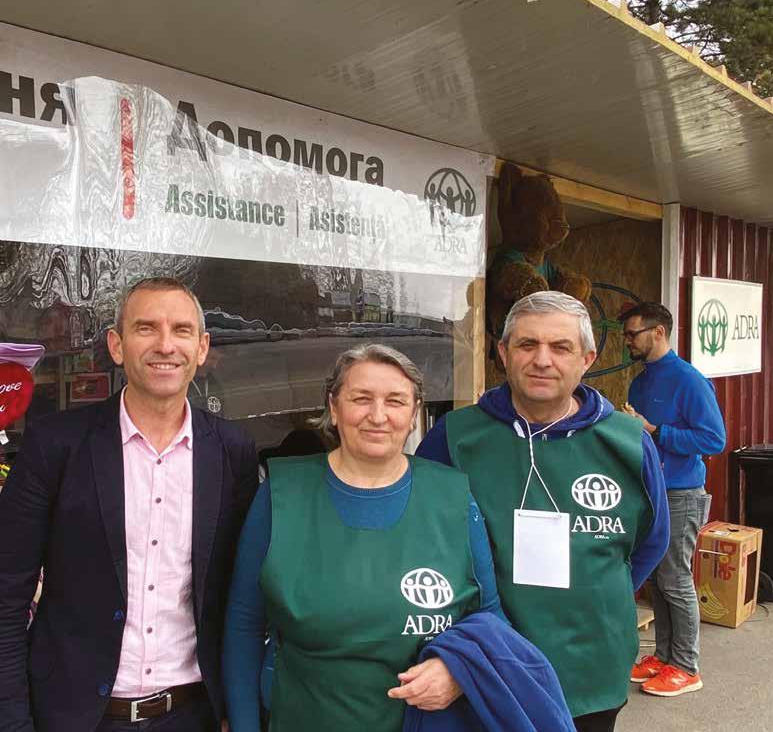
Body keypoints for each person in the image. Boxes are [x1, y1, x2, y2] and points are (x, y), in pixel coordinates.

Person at [0, 277, 259, 732]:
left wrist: (237, 712)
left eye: (181, 330)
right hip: (73, 718)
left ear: (201, 348)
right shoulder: (55, 444)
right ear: (117, 346)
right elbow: (6, 594)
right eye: (146, 328)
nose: (165, 345)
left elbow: (242, 598)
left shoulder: (232, 451)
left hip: (192, 715)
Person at [418, 291, 669, 732]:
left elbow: (652, 540)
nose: (542, 360)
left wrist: (593, 595)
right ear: (503, 353)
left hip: (591, 667)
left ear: (587, 359)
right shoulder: (455, 437)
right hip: (489, 661)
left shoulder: (628, 443)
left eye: (561, 347)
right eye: (527, 344)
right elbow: (422, 539)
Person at [222, 343, 505, 732]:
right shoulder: (282, 495)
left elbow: (490, 617)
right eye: (361, 399)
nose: (378, 415)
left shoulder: (453, 497)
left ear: (414, 412)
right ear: (334, 407)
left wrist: (459, 671)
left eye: (395, 401)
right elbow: (244, 624)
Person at [619, 301, 725, 697]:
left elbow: (713, 439)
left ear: (659, 332)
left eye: (633, 334)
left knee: (675, 579)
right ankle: (664, 656)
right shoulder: (640, 382)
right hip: (649, 493)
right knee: (657, 579)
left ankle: (686, 666)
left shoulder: (689, 381)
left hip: (680, 493)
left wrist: (654, 430)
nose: (627, 341)